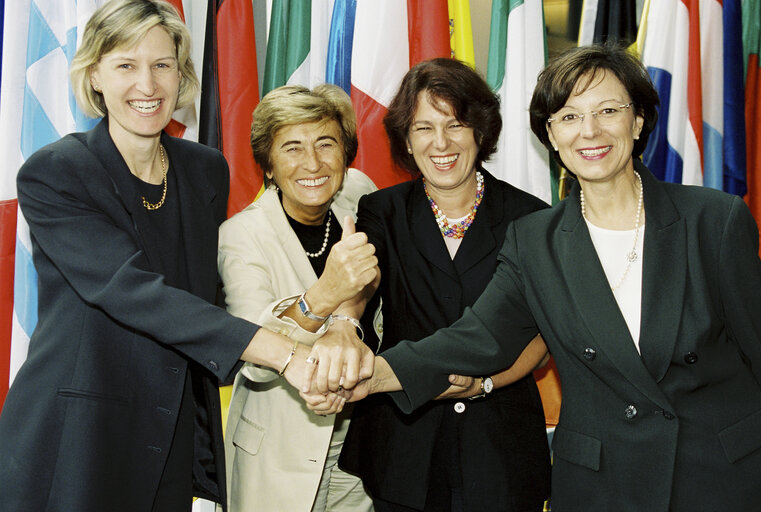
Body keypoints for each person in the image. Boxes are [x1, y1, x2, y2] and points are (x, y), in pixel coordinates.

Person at [332, 43, 761, 510]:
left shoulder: (714, 221)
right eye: (569, 117)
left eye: (607, 111)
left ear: (638, 122)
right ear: (551, 136)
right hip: (603, 487)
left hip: (717, 479)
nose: (590, 131)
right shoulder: (535, 240)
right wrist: (366, 378)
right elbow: (478, 337)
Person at [0, 2, 369, 511]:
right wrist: (288, 357)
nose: (147, 85)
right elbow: (133, 294)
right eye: (126, 65)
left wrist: (322, 328)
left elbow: (207, 301)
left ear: (182, 74)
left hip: (171, 434)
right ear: (95, 77)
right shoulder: (57, 172)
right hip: (78, 436)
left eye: (162, 65)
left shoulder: (205, 170)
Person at [336, 58, 552, 512]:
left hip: (502, 446)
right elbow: (359, 290)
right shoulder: (382, 211)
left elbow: (542, 333)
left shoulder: (531, 217)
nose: (441, 143)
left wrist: (486, 383)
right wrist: (342, 323)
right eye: (423, 128)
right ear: (407, 142)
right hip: (405, 445)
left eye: (455, 124)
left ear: (479, 131)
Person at [217, 84, 377, 512]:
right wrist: (324, 296)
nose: (313, 163)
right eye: (292, 147)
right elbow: (254, 360)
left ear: (346, 155)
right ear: (268, 165)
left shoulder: (360, 194)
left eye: (327, 144)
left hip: (362, 446)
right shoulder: (241, 236)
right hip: (278, 451)